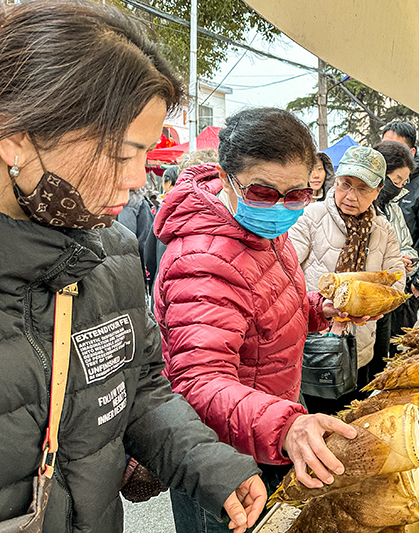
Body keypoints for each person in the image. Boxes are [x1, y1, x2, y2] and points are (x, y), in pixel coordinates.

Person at [0, 2, 267, 532]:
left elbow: (141, 387)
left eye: (144, 156)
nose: (136, 180)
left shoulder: (112, 252)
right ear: (16, 136)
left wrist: (209, 464)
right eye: (121, 154)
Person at [153, 107, 358, 533]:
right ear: (227, 178)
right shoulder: (204, 259)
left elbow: (268, 312)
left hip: (266, 428)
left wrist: (319, 309)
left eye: (297, 195)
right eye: (264, 193)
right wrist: (285, 424)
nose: (281, 207)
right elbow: (198, 381)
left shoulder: (266, 231)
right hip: (220, 457)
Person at [289, 145, 405, 412]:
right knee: (316, 418)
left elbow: (396, 281)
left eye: (363, 189)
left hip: (361, 345)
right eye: (345, 185)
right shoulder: (310, 217)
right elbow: (286, 272)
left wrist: (374, 304)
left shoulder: (383, 230)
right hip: (314, 346)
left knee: (354, 418)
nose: (351, 196)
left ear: (377, 192)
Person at [381, 122, 419, 339]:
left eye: (395, 146)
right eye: (385, 144)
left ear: (411, 152)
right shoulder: (373, 182)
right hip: (379, 284)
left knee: (398, 344)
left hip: (407, 281)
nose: (389, 151)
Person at [371, 140, 418, 381]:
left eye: (402, 183)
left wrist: (407, 260)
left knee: (380, 366)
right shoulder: (359, 208)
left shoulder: (394, 208)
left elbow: (407, 244)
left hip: (388, 302)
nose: (398, 187)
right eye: (396, 181)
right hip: (364, 303)